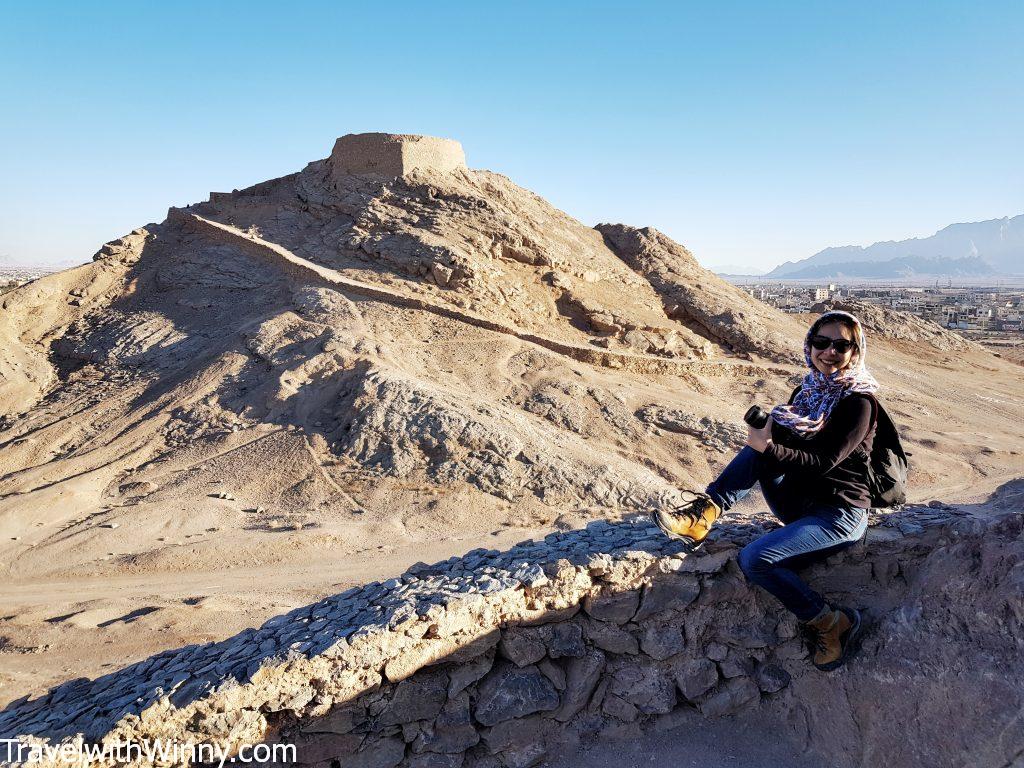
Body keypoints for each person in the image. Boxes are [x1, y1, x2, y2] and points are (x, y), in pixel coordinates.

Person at [652, 310, 878, 671]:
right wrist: (768, 441)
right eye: (822, 342)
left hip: (839, 514)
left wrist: (768, 448)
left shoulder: (859, 402)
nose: (830, 351)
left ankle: (832, 622)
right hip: (801, 503)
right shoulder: (807, 392)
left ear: (855, 350)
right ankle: (703, 514)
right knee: (758, 451)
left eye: (842, 344)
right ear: (810, 346)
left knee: (755, 559)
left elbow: (823, 462)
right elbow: (784, 453)